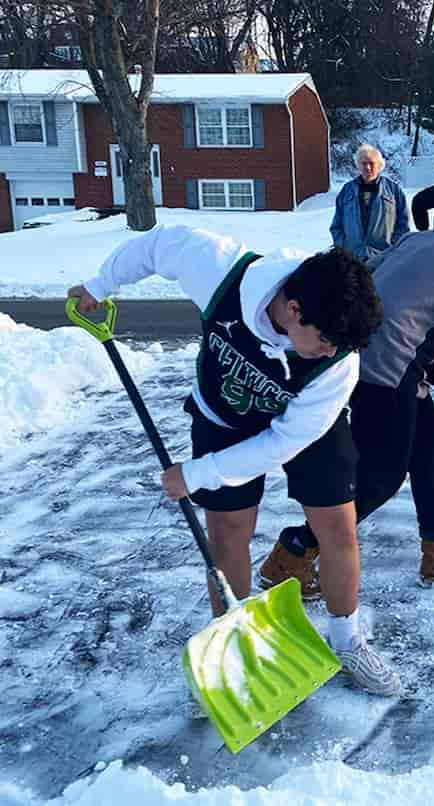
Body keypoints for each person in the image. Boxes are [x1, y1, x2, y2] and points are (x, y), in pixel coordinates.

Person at [67, 225, 401, 697]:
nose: (333, 352)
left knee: (337, 528)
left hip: (304, 423)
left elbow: (279, 444)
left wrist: (198, 473)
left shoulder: (336, 365)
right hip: (222, 415)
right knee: (226, 534)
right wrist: (100, 286)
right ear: (293, 308)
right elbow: (159, 245)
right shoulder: (223, 270)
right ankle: (234, 643)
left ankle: (346, 639)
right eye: (326, 341)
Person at [259, 182, 434, 590]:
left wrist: (423, 344)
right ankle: (295, 552)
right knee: (381, 477)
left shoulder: (426, 238)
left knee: (432, 446)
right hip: (387, 372)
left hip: (361, 356)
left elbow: (371, 272)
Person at [330, 144, 410, 261]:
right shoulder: (347, 190)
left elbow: (403, 225)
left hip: (383, 257)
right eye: (363, 163)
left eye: (371, 163)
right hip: (352, 258)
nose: (367, 167)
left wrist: (392, 247)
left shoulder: (393, 190)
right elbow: (336, 226)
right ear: (358, 165)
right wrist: (344, 248)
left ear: (379, 165)